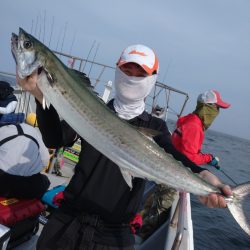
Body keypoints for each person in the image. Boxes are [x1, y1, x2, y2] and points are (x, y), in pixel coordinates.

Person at [16, 44, 232, 250]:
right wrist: (39, 96)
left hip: (114, 234)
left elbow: (174, 155)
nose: (131, 77)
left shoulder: (154, 126)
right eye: (126, 69)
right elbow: (55, 139)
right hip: (67, 221)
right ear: (117, 70)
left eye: (140, 74)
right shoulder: (92, 108)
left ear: (152, 79)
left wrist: (203, 176)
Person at [171, 90, 230, 167]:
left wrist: (206, 157)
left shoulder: (190, 119)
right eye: (217, 108)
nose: (217, 112)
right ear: (207, 107)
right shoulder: (194, 126)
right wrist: (208, 158)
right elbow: (189, 158)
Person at [0, 122, 50, 198]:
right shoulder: (34, 133)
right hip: (27, 187)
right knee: (45, 181)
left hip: (3, 181)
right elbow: (45, 160)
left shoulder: (4, 130)